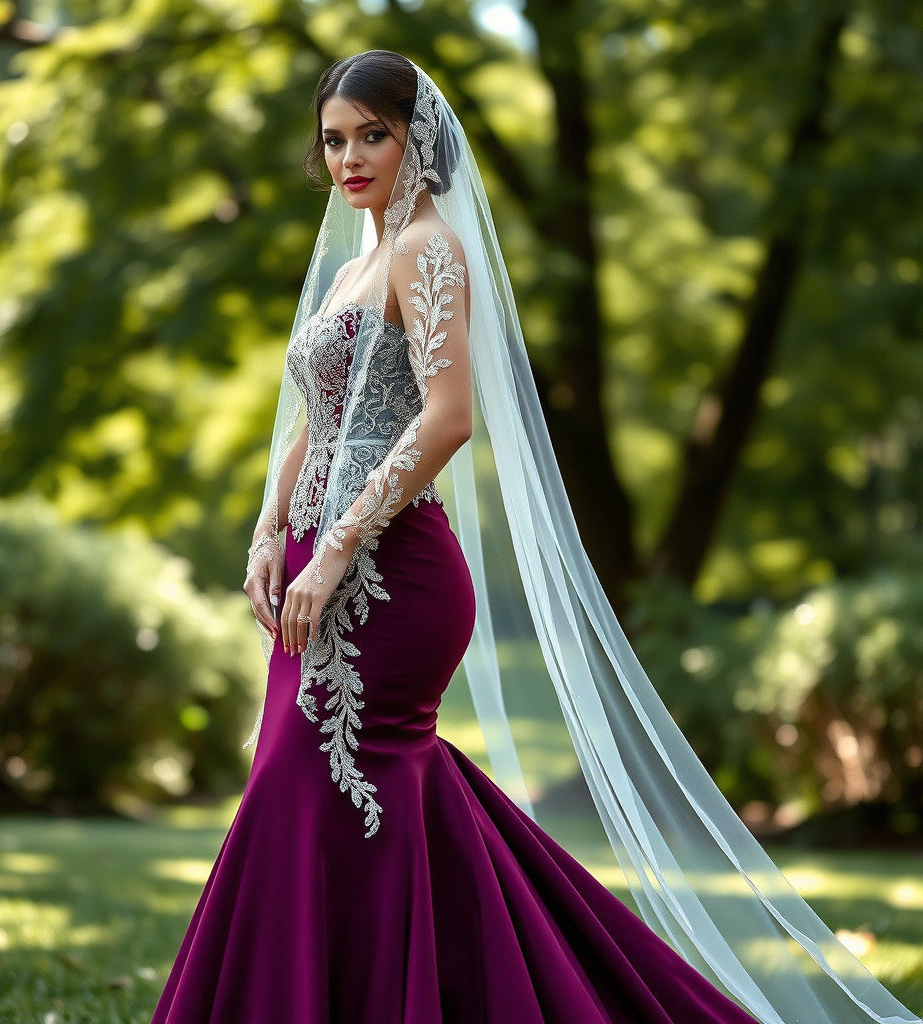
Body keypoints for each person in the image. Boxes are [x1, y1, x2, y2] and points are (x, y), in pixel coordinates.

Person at [150, 51, 922, 1024]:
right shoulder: (350, 268)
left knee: (311, 788)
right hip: (312, 566)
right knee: (327, 793)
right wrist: (269, 533)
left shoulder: (429, 248)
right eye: (334, 140)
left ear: (418, 138)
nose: (349, 159)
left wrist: (338, 544)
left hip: (390, 576)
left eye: (373, 135)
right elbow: (315, 421)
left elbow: (447, 419)